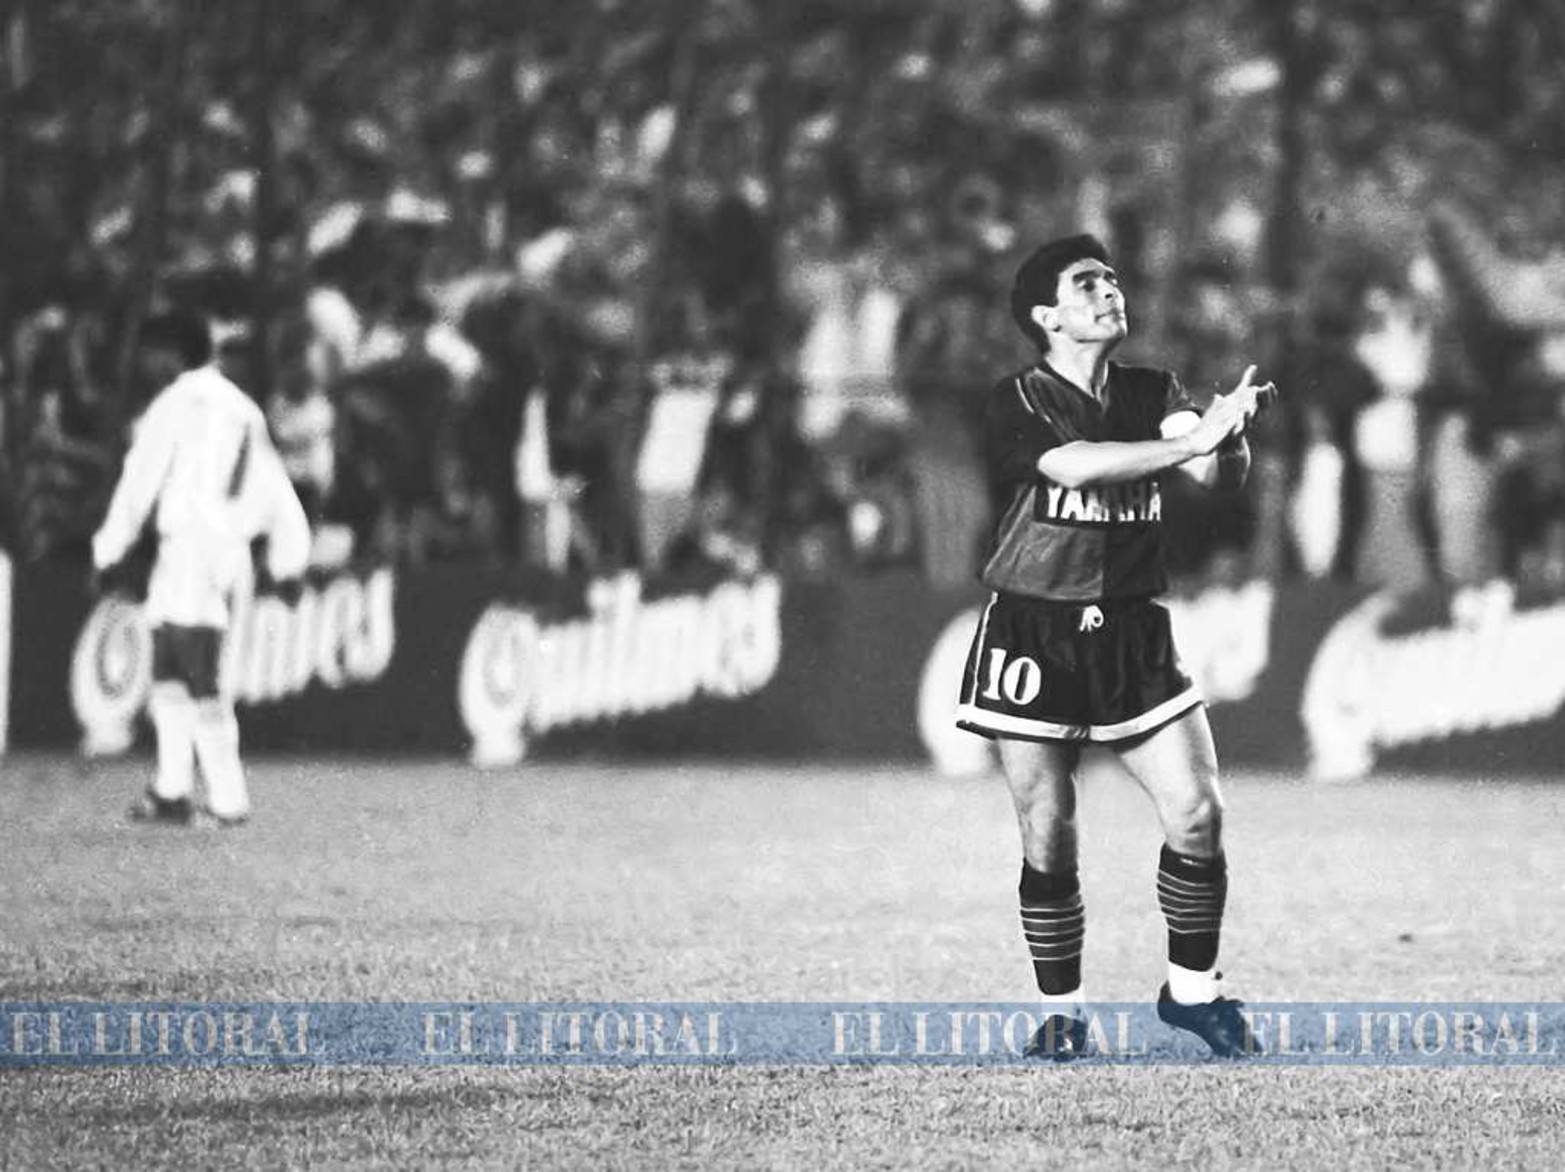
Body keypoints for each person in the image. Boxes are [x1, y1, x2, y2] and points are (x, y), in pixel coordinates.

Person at [955, 235, 1275, 1059]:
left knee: (1198, 811)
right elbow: (1074, 467)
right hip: (1035, 628)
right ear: (1045, 315)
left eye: (1110, 276)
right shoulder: (1019, 397)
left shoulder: (1149, 388)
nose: (1108, 290)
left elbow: (1214, 477)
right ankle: (1062, 1013)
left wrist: (1227, 433)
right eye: (1085, 281)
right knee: (1048, 824)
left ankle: (1192, 996)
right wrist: (1192, 442)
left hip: (1132, 627)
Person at [91, 310, 311, 826]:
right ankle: (171, 788)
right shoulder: (242, 408)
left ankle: (229, 799)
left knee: (196, 670)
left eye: (152, 351)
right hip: (217, 551)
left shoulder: (176, 403)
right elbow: (277, 489)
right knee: (169, 664)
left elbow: (139, 478)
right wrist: (289, 558)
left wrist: (109, 549)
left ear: (170, 352)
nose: (146, 362)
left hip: (194, 545)